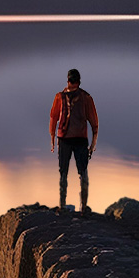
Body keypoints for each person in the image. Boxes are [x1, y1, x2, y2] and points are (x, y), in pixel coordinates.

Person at [49, 68, 98, 211]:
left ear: (68, 80)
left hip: (64, 138)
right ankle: (83, 207)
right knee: (83, 173)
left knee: (63, 172)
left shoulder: (60, 97)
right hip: (80, 138)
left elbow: (53, 118)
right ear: (79, 81)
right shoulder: (86, 97)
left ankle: (62, 206)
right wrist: (93, 144)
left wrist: (52, 138)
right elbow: (94, 123)